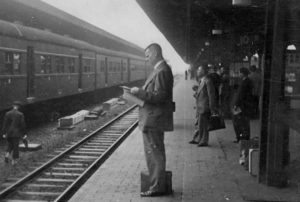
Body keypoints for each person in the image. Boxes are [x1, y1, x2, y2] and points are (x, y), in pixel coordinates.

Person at [130, 43, 174, 197]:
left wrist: (140, 93)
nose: (146, 59)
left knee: (155, 154)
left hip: (154, 119)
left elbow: (160, 96)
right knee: (154, 153)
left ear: (155, 53)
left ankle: (157, 187)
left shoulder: (162, 71)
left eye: (147, 55)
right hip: (152, 118)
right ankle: (157, 184)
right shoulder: (159, 70)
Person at [189, 65, 217, 146]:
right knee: (199, 124)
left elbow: (211, 95)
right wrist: (197, 90)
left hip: (205, 107)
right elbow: (203, 92)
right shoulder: (202, 80)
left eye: (199, 70)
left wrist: (212, 108)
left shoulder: (208, 81)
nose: (197, 71)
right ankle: (198, 139)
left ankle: (204, 141)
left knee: (204, 125)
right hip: (200, 106)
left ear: (203, 71)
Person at [232, 67, 253, 143]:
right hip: (246, 105)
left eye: (240, 72)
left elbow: (241, 95)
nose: (239, 74)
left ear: (243, 73)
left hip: (242, 106)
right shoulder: (247, 81)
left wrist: (236, 105)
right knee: (244, 122)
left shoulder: (245, 82)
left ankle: (241, 137)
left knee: (237, 121)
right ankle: (244, 137)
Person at [2, 101, 27, 165]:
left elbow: (5, 124)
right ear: (18, 107)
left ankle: (7, 155)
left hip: (9, 133)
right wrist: (24, 134)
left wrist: (4, 133)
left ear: (13, 106)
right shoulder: (20, 114)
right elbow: (22, 125)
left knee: (10, 145)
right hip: (16, 133)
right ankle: (14, 161)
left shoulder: (7, 113)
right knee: (16, 146)